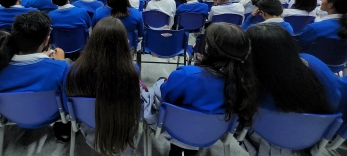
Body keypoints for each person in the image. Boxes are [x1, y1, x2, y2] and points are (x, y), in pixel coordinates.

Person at [150, 23, 257, 155]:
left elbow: (168, 97)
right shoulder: (245, 81)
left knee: (158, 87)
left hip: (178, 128)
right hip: (215, 132)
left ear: (209, 48)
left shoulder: (186, 74)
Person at [242, 24, 339, 156]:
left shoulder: (247, 79)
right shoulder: (313, 63)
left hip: (261, 139)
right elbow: (335, 99)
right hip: (311, 137)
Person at [0, 12, 67, 129]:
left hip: (10, 115)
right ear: (47, 40)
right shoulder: (59, 68)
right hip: (51, 115)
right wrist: (61, 62)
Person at [64, 16, 140, 155]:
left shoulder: (74, 70)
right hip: (121, 125)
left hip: (89, 125)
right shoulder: (132, 70)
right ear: (124, 43)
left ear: (92, 41)